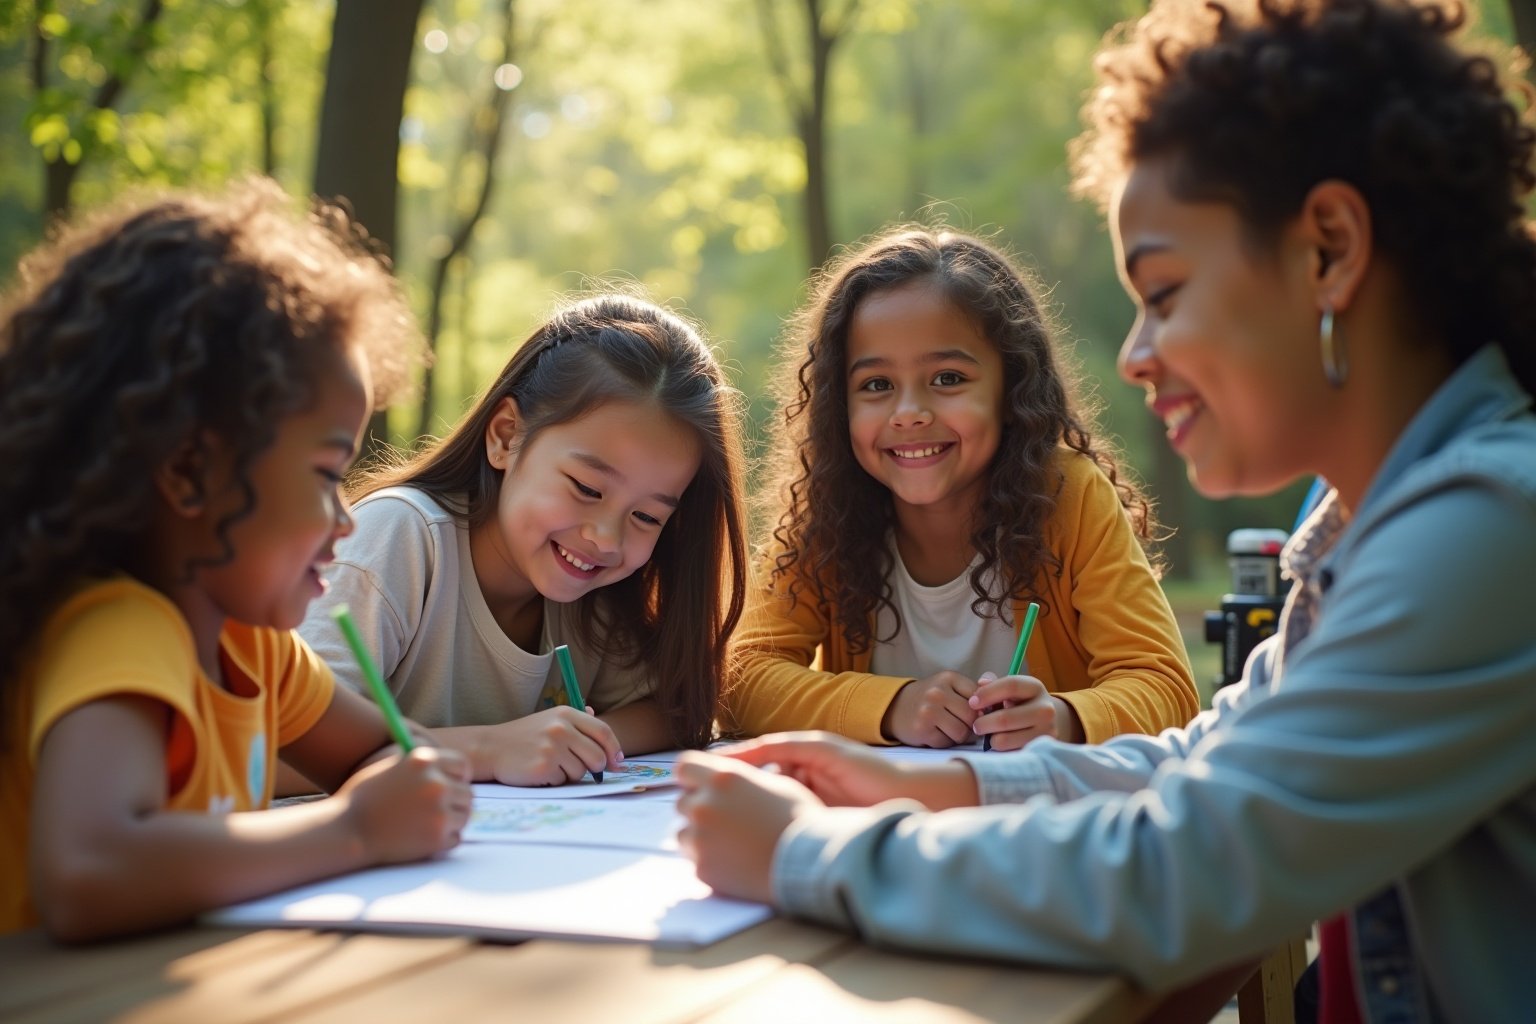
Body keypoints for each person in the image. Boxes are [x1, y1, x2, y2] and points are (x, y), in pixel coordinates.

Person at [676, 0, 1536, 1018]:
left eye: (1164, 292)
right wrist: (933, 785)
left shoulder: (1487, 527)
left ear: (1330, 249)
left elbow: (1187, 867)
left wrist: (807, 853)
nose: (1134, 354)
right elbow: (1202, 759)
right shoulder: (1372, 531)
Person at [0, 180, 472, 940]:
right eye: (326, 474)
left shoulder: (256, 651)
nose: (345, 518)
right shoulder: (122, 628)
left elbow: (382, 751)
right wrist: (353, 832)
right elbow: (87, 869)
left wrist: (407, 785)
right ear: (189, 471)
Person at [720, 226, 1198, 750]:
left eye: (947, 378)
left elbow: (1167, 690)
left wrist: (1062, 717)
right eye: (876, 385)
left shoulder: (1070, 497)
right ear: (841, 407)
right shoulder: (827, 513)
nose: (909, 414)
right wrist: (891, 706)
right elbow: (740, 679)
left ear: (1010, 388)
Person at [297, 294, 749, 787]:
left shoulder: (593, 595)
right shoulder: (401, 538)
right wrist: (490, 750)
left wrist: (580, 739)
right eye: (587, 488)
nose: (605, 538)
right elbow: (275, 748)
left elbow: (673, 710)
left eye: (646, 516)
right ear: (507, 436)